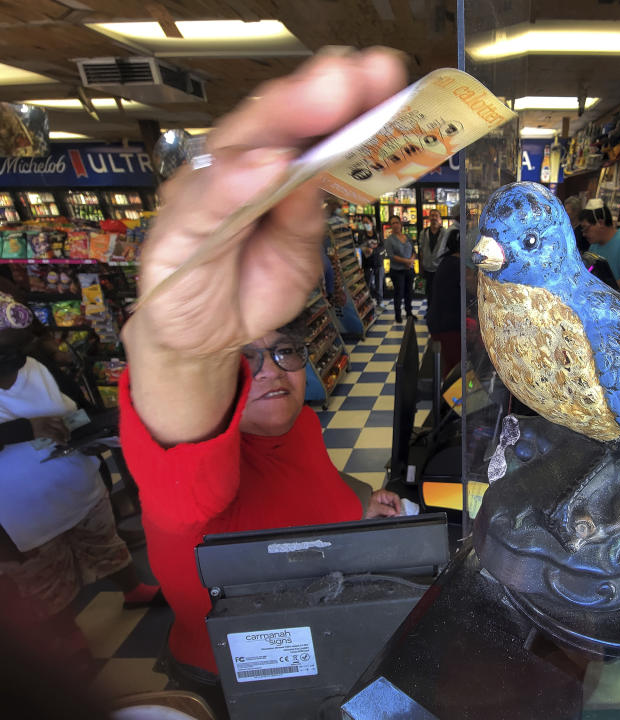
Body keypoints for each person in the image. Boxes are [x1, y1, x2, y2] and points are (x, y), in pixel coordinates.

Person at [117, 48, 407, 712]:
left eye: (284, 352)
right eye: (242, 359)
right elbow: (178, 454)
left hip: (323, 645)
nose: (271, 371)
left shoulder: (299, 423)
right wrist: (188, 348)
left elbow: (319, 489)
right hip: (237, 679)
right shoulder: (199, 482)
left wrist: (362, 501)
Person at [0, 294, 161, 677]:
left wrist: (97, 431)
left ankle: (134, 590)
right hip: (21, 515)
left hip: (77, 485)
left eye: (17, 348)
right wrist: (28, 429)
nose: (14, 358)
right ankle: (68, 638)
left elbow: (79, 409)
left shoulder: (38, 367)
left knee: (105, 543)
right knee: (46, 582)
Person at [578, 201, 620, 300]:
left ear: (600, 223)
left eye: (586, 228)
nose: (584, 234)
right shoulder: (594, 246)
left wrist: (602, 292)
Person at [426, 229, 461, 377]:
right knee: (455, 369)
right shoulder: (456, 265)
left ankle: (449, 397)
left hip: (440, 322)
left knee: (452, 366)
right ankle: (450, 398)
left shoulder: (448, 261)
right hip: (447, 326)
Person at [385, 214, 416, 323]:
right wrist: (406, 261)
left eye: (397, 222)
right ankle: (398, 315)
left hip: (409, 269)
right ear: (391, 226)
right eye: (393, 223)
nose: (395, 225)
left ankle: (409, 313)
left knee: (409, 292)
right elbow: (391, 256)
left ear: (400, 224)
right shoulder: (389, 240)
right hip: (397, 271)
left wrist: (411, 260)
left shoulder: (407, 237)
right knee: (399, 293)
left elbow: (413, 251)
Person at [418, 209, 444, 308]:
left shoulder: (445, 233)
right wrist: (421, 268)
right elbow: (421, 251)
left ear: (440, 219)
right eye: (432, 215)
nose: (434, 218)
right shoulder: (424, 233)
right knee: (429, 292)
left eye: (436, 216)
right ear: (429, 218)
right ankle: (430, 311)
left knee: (439, 292)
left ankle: (437, 312)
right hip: (427, 268)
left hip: (439, 269)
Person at [359, 214, 385, 305]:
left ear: (371, 223)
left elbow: (382, 246)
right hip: (367, 263)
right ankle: (369, 302)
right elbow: (360, 245)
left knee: (379, 285)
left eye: (367, 222)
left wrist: (373, 250)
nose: (365, 224)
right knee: (368, 284)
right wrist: (365, 249)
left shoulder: (378, 234)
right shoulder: (361, 234)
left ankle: (380, 302)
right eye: (364, 223)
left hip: (378, 262)